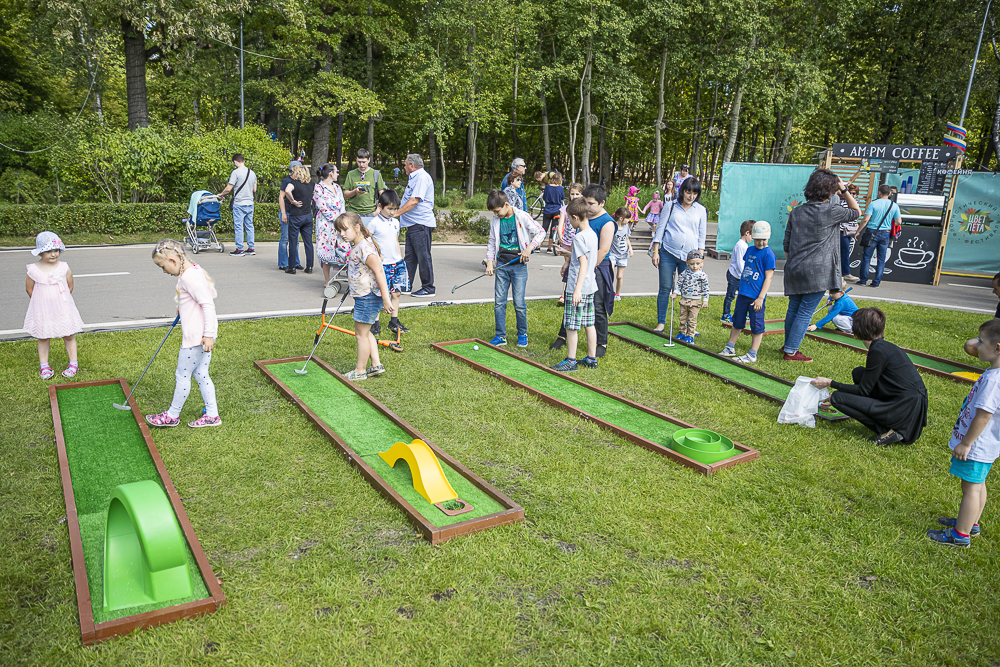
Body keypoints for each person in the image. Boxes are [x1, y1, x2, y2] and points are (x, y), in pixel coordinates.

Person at [926, 319, 1000, 547]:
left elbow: (983, 415)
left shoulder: (994, 381)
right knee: (979, 484)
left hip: (976, 445)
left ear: (998, 348)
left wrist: (966, 443)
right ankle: (972, 523)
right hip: (987, 445)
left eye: (981, 341)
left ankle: (960, 534)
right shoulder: (994, 373)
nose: (976, 345)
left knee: (970, 488)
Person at [810, 307, 927, 446]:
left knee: (837, 398)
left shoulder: (877, 350)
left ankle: (888, 431)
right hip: (909, 405)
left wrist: (830, 383)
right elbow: (867, 384)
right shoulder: (884, 346)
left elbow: (862, 391)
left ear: (859, 330)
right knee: (858, 373)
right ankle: (887, 422)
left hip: (902, 410)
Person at [781, 168, 860, 362]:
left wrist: (795, 262)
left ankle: (787, 345)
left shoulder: (797, 211)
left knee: (793, 308)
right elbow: (856, 212)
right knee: (805, 312)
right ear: (829, 190)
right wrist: (845, 190)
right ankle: (791, 351)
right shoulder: (831, 210)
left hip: (795, 268)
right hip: (817, 271)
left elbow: (787, 243)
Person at [144, 239, 221, 428]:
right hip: (201, 334)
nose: (163, 271)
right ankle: (212, 415)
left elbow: (208, 304)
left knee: (182, 375)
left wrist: (208, 334)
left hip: (197, 337)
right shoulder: (192, 270)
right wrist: (182, 308)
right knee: (202, 373)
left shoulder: (188, 277)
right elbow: (201, 297)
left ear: (173, 260)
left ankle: (172, 415)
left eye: (163, 267)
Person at [334, 212, 396, 381]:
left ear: (357, 227)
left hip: (368, 297)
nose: (342, 234)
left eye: (345, 230)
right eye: (339, 231)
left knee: (360, 334)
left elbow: (379, 271)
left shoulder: (365, 248)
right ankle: (376, 364)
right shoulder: (361, 244)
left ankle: (360, 370)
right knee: (366, 331)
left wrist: (385, 298)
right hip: (365, 296)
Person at [485, 189, 545, 347]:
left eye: (498, 211)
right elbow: (492, 242)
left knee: (519, 303)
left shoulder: (522, 216)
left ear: (506, 205)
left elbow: (541, 232)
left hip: (518, 266)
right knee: (499, 302)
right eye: (494, 212)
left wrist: (529, 248)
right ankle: (500, 336)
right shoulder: (495, 220)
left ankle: (522, 334)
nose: (496, 214)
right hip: (502, 266)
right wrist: (490, 262)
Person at [23, 232, 84, 379]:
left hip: (63, 308)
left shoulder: (64, 267)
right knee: (43, 336)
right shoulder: (33, 270)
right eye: (49, 251)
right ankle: (44, 366)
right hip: (43, 309)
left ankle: (73, 363)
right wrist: (42, 301)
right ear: (40, 252)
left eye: (56, 250)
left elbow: (70, 285)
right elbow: (29, 289)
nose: (53, 254)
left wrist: (60, 300)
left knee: (68, 334)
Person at [650, 178, 707, 332]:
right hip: (667, 252)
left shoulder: (701, 210)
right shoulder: (671, 205)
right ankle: (661, 322)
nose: (691, 195)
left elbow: (702, 235)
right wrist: (656, 251)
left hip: (690, 258)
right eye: (688, 191)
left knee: (688, 290)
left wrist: (700, 259)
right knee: (665, 288)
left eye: (695, 192)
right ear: (682, 191)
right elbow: (660, 229)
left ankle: (689, 325)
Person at [551, 197, 599, 372]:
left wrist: (576, 290)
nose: (569, 222)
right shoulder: (592, 234)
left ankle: (571, 361)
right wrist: (568, 254)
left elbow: (584, 264)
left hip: (577, 288)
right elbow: (586, 259)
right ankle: (591, 358)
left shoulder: (579, 237)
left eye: (569, 219)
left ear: (576, 217)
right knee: (589, 322)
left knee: (571, 325)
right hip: (590, 287)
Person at [720, 221, 776, 364]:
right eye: (757, 239)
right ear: (752, 237)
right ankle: (730, 347)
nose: (760, 242)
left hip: (756, 297)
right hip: (743, 294)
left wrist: (760, 298)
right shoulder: (749, 250)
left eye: (763, 239)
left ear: (768, 237)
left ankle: (752, 354)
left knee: (756, 325)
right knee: (737, 321)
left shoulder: (769, 254)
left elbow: (768, 277)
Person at [368, 189, 410, 335]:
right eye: (389, 209)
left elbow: (396, 240)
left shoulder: (396, 223)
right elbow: (369, 244)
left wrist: (400, 257)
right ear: (380, 206)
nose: (392, 212)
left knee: (396, 293)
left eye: (395, 209)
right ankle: (375, 322)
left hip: (397, 263)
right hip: (382, 265)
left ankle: (394, 321)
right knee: (379, 294)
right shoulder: (373, 224)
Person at [394, 153, 436, 297]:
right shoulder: (415, 177)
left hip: (421, 223)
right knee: (410, 257)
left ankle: (428, 288)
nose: (404, 167)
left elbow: (414, 201)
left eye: (405, 164)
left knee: (423, 256)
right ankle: (406, 285)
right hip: (413, 224)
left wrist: (396, 214)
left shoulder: (421, 178)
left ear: (412, 165)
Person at [858, 184, 901, 288]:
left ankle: (863, 280)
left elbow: (865, 220)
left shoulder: (873, 204)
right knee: (881, 259)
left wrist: (858, 231)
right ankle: (876, 282)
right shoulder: (894, 205)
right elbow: (898, 221)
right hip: (886, 233)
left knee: (867, 257)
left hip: (872, 232)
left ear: (879, 192)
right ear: (890, 193)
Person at [313, 163, 348, 286]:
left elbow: (342, 204)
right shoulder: (319, 188)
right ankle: (327, 279)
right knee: (325, 250)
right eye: (337, 171)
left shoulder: (337, 187)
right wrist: (336, 221)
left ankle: (346, 274)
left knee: (344, 246)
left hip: (339, 221)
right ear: (331, 173)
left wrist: (342, 220)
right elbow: (323, 208)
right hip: (325, 224)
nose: (338, 174)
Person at [553, 182, 585, 312]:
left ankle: (576, 290)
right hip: (567, 241)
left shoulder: (583, 209)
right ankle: (564, 293)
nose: (575, 196)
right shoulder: (564, 209)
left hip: (578, 241)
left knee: (577, 267)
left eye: (577, 194)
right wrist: (559, 234)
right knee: (568, 266)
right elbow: (561, 223)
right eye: (572, 194)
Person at [216, 153, 257, 256]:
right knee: (249, 226)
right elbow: (254, 189)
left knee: (238, 226)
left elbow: (229, 188)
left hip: (239, 203)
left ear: (235, 162)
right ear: (243, 160)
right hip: (250, 203)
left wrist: (221, 194)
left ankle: (240, 249)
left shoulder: (235, 173)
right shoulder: (252, 173)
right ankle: (251, 248)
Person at [283, 165, 315, 275]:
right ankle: (309, 266)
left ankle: (292, 267)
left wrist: (293, 201)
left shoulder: (293, 183)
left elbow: (287, 191)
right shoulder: (311, 184)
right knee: (308, 242)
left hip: (296, 216)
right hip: (307, 215)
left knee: (293, 242)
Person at [721, 220, 754, 325]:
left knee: (744, 295)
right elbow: (740, 263)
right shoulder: (741, 246)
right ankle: (725, 315)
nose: (753, 239)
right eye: (752, 235)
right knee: (730, 296)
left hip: (740, 276)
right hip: (735, 275)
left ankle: (744, 313)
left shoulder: (744, 245)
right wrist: (746, 274)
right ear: (747, 233)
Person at [343, 148, 387, 222]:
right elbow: (345, 195)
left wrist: (377, 211)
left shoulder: (376, 174)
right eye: (359, 162)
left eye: (364, 162)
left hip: (371, 213)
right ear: (356, 160)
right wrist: (355, 191)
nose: (361, 165)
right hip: (353, 213)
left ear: (369, 160)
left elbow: (382, 195)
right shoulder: (351, 174)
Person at [276, 160, 302, 270]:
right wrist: (283, 214)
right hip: (287, 212)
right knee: (285, 239)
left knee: (295, 240)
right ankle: (283, 263)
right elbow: (281, 198)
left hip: (296, 213)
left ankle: (295, 262)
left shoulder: (301, 181)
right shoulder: (286, 181)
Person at [610, 207, 634, 301]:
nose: (628, 220)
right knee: (610, 272)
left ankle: (617, 294)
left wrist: (630, 248)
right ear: (621, 218)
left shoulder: (626, 227)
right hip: (613, 253)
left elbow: (627, 238)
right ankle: (608, 292)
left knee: (619, 276)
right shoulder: (612, 227)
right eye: (627, 218)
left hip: (623, 254)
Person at [840, 183, 862, 282]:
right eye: (851, 193)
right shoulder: (843, 203)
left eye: (854, 193)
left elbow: (855, 218)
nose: (852, 195)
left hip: (850, 230)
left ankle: (843, 272)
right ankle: (846, 273)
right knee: (845, 252)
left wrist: (856, 227)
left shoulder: (857, 203)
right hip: (842, 230)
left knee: (846, 251)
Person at [542, 171, 565, 254]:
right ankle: (549, 248)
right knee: (554, 228)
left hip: (547, 209)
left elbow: (544, 198)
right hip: (556, 210)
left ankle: (538, 246)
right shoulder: (560, 188)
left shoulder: (547, 187)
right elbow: (562, 197)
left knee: (544, 227)